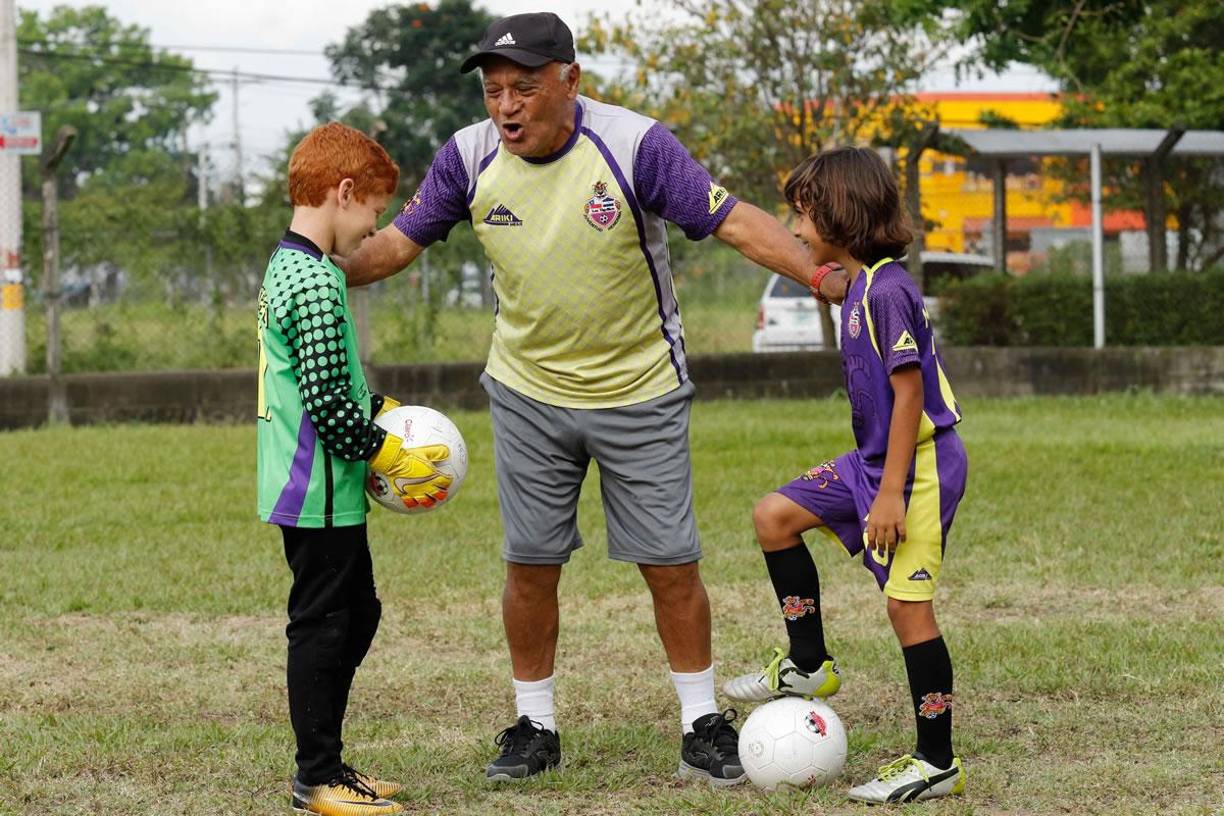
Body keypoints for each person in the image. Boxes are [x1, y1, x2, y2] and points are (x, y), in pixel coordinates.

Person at [340, 12, 848, 787]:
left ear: (570, 81)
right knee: (530, 563)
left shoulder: (637, 146)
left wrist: (818, 274)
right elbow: (392, 247)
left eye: (523, 88)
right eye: (493, 91)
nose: (505, 106)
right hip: (526, 392)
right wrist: (313, 256)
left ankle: (700, 722)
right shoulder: (467, 157)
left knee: (669, 564)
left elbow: (732, 220)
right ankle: (534, 725)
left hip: (640, 389)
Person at [721, 146, 968, 803]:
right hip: (873, 463)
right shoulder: (858, 284)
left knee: (907, 609)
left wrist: (889, 495)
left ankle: (936, 761)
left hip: (917, 467)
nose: (797, 229)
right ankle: (808, 662)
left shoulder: (887, 291)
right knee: (774, 517)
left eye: (803, 216)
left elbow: (910, 394)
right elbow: (827, 281)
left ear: (840, 215)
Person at [256, 122, 454, 816]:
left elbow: (333, 382)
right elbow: (329, 408)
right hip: (314, 487)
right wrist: (390, 451)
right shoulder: (314, 279)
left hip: (325, 488)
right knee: (323, 625)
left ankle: (330, 762)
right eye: (373, 211)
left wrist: (384, 409)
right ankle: (316, 778)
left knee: (357, 614)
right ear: (343, 193)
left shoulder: (295, 266)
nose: (373, 229)